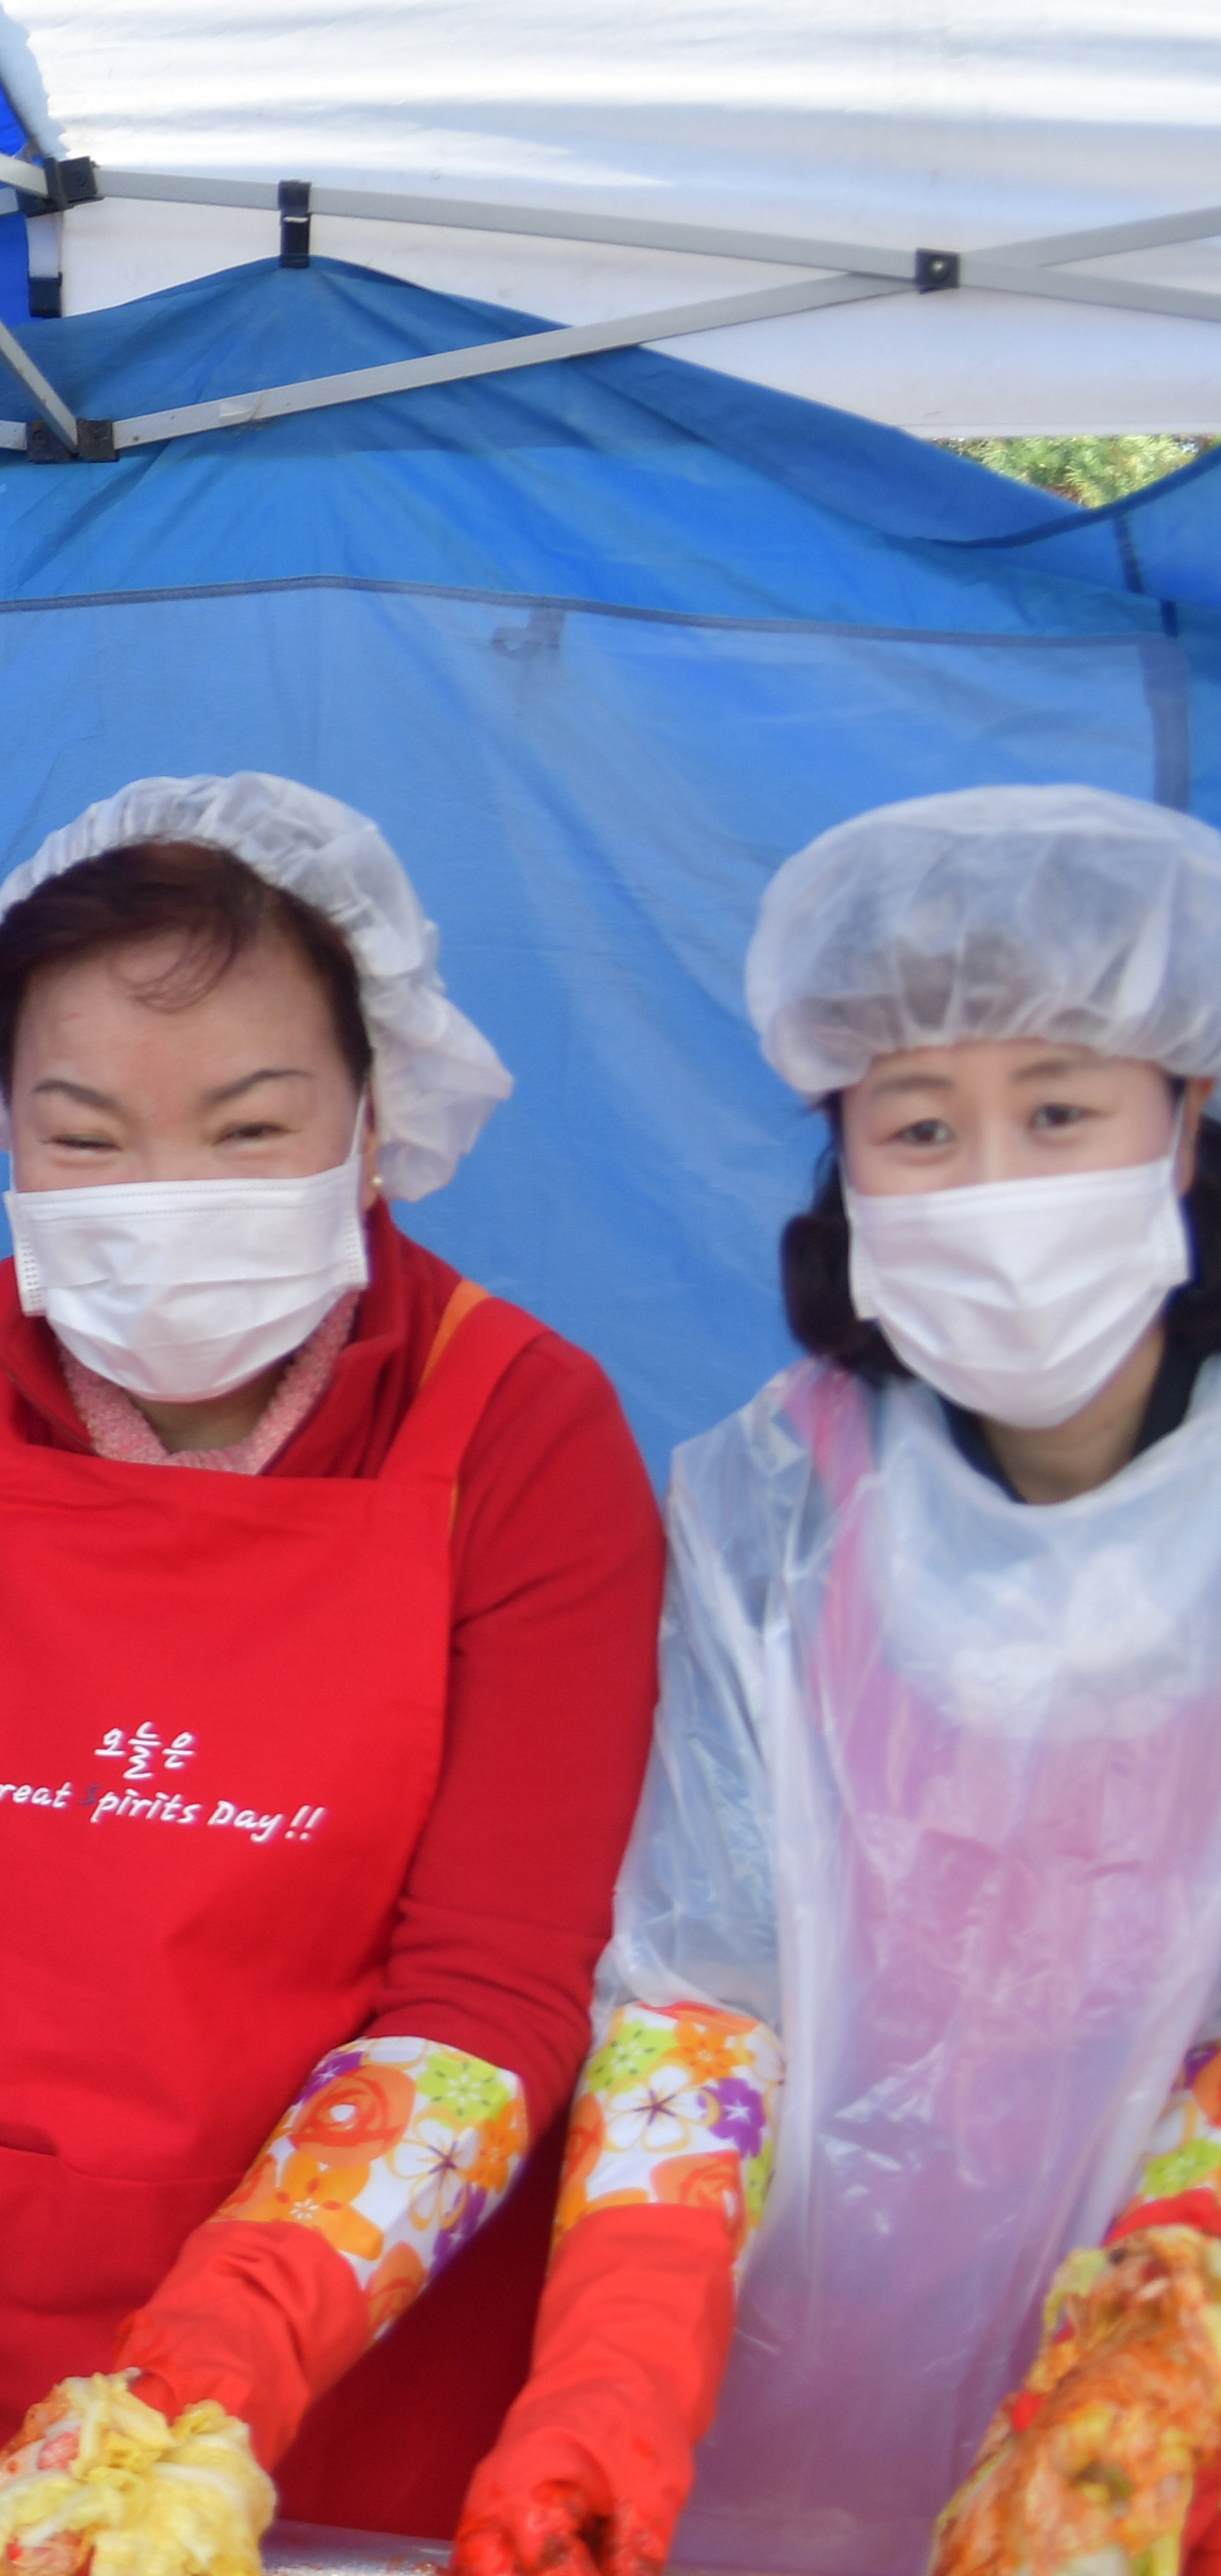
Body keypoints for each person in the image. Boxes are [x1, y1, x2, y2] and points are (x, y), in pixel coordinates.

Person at [0, 775, 665, 2576]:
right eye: (84, 1137)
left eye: (248, 1127)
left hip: (350, 2394)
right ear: (2, 1129)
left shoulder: (525, 1428)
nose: (162, 1198)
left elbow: (495, 1981)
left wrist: (214, 2362)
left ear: (374, 1113)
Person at [454, 786, 1221, 2576]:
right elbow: (693, 1988)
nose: (993, 1184)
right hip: (771, 2376)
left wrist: (1145, 2371)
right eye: (918, 1126)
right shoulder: (769, 1500)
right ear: (840, 1153)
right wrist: (614, 2383)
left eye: (1056, 1111)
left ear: (1180, 1119)